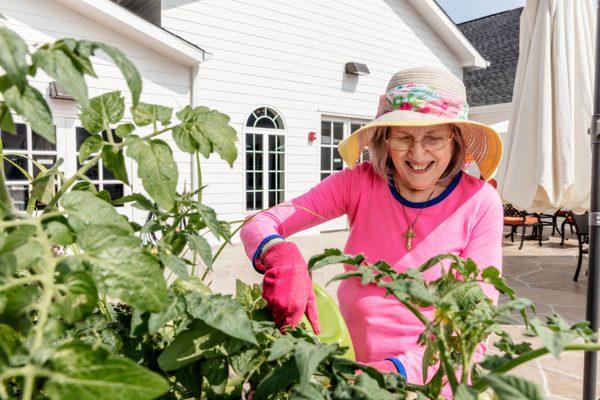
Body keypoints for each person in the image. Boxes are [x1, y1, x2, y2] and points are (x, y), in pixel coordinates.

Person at [240, 66, 504, 390]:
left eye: (434, 137)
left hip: (429, 383)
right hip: (353, 372)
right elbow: (261, 222)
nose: (418, 153)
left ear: (456, 141)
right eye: (404, 136)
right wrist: (278, 251)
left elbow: (472, 325)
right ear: (385, 138)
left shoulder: (480, 202)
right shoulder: (360, 182)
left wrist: (394, 371)